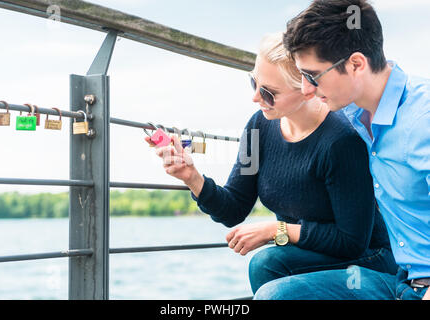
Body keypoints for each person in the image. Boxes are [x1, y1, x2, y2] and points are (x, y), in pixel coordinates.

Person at [145, 32, 397, 295]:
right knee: (265, 265)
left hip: (368, 258)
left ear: (307, 89)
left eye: (268, 92)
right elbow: (233, 209)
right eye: (253, 82)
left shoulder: (341, 140)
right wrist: (191, 177)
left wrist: (277, 230)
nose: (255, 97)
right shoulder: (259, 126)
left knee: (267, 268)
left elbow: (351, 242)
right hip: (312, 251)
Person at [253, 0, 430, 300]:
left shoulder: (421, 120)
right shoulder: (353, 113)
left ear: (356, 64)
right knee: (272, 285)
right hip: (400, 279)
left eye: (312, 76)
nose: (306, 90)